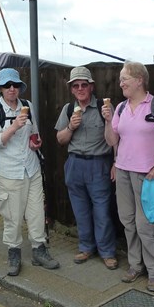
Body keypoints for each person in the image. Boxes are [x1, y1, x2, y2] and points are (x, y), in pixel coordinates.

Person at [102, 61, 154, 292]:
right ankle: (135, 265)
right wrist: (107, 120)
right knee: (127, 221)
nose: (121, 82)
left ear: (139, 80)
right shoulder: (121, 108)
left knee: (145, 224)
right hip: (123, 170)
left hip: (147, 174)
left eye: (125, 78)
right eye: (120, 79)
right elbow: (112, 140)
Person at [0, 68, 60, 276]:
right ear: (0, 89)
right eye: (7, 85)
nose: (12, 89)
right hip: (8, 172)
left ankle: (39, 249)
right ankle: (14, 251)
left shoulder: (27, 106)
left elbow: (34, 133)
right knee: (13, 216)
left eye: (15, 85)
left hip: (31, 168)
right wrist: (13, 127)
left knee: (37, 212)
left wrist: (36, 142)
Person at [54, 66, 117, 270]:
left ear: (91, 86)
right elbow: (60, 139)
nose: (80, 88)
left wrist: (115, 163)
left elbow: (116, 140)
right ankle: (86, 247)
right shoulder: (68, 109)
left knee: (102, 212)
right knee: (80, 211)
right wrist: (71, 127)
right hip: (75, 164)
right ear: (71, 89)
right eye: (76, 85)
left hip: (99, 164)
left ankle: (107, 252)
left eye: (84, 85)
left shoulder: (104, 107)